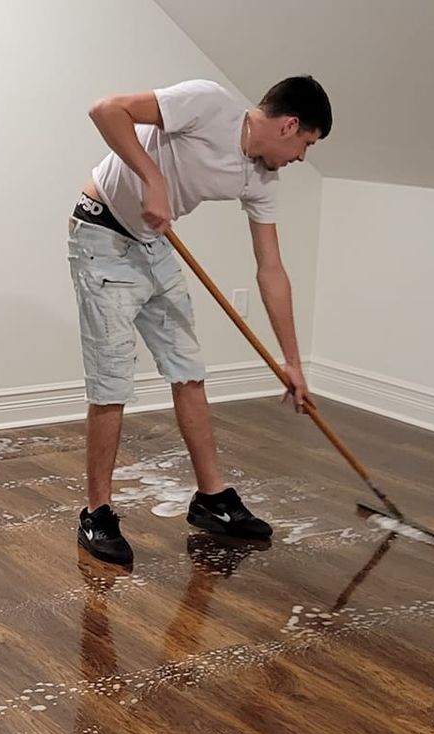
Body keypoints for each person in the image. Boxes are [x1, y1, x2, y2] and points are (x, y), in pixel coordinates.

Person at [69, 76, 331, 565]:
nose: (301, 158)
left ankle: (212, 499)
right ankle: (96, 513)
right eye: (306, 144)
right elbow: (106, 110)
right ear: (290, 125)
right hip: (101, 234)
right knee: (111, 381)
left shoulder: (261, 179)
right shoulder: (208, 103)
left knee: (188, 366)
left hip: (153, 243)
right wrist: (154, 177)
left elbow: (271, 270)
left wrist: (292, 362)